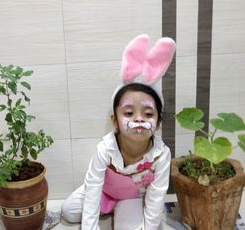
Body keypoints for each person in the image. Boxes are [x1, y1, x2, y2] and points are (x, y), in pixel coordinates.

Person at [61, 34, 176, 230]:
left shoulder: (161, 155)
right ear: (114, 120)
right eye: (129, 112)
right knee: (69, 212)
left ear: (157, 124)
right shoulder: (105, 149)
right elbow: (94, 186)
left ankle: (122, 210)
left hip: (131, 198)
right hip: (104, 191)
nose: (139, 119)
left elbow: (156, 198)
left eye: (148, 113)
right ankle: (109, 206)